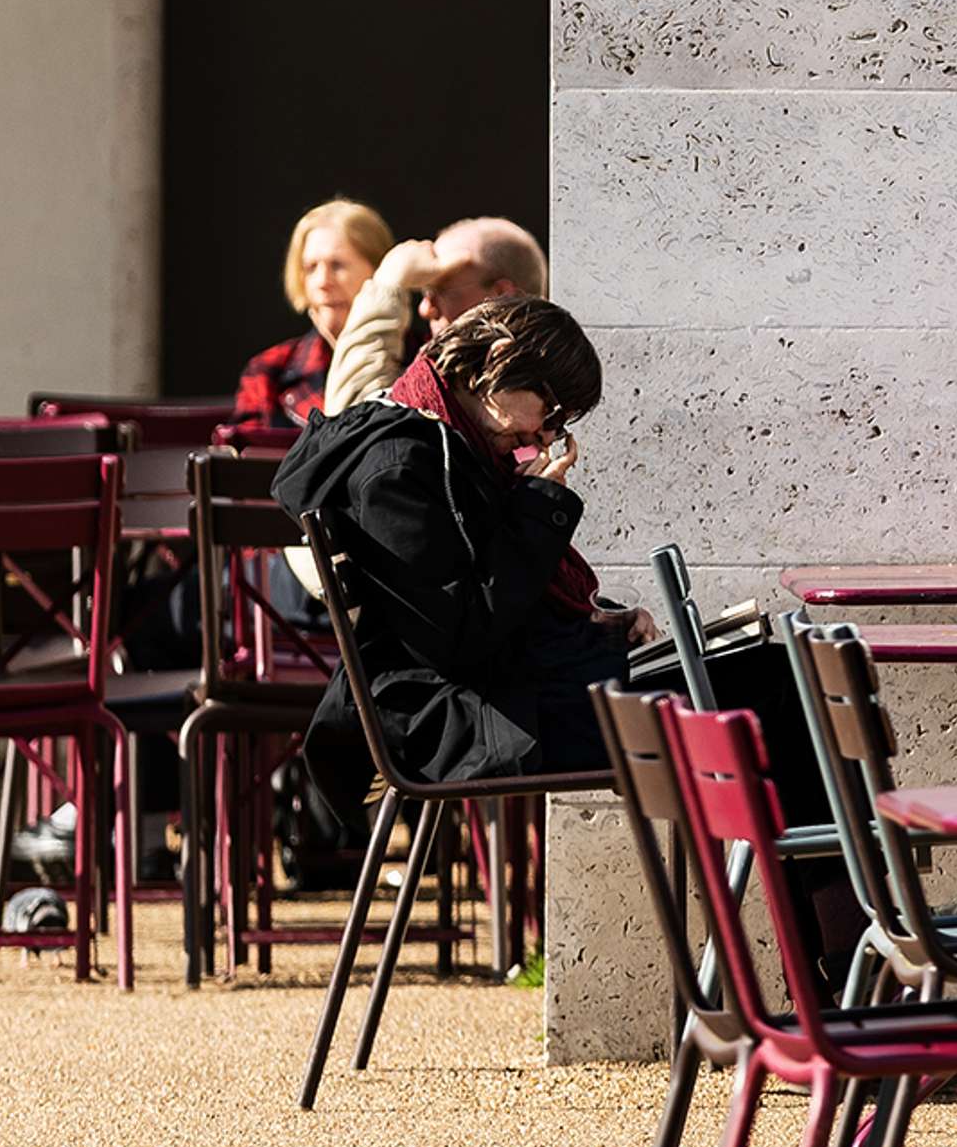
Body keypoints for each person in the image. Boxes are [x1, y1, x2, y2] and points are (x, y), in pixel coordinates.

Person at [274, 292, 649, 810]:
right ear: (497, 364)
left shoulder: (448, 443)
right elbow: (460, 637)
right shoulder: (399, 464)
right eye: (552, 411)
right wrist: (536, 508)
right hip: (465, 721)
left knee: (741, 680)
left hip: (504, 702)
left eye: (560, 425)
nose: (544, 435)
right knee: (744, 708)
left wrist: (603, 628)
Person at [323, 213, 547, 417]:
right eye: (424, 292)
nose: (425, 309)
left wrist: (388, 284)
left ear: (502, 298)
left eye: (439, 291)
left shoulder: (505, 400)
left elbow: (352, 425)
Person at [233, 195, 395, 441]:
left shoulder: (422, 359)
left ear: (380, 270)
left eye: (338, 265)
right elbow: (243, 471)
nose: (322, 282)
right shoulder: (269, 371)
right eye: (310, 268)